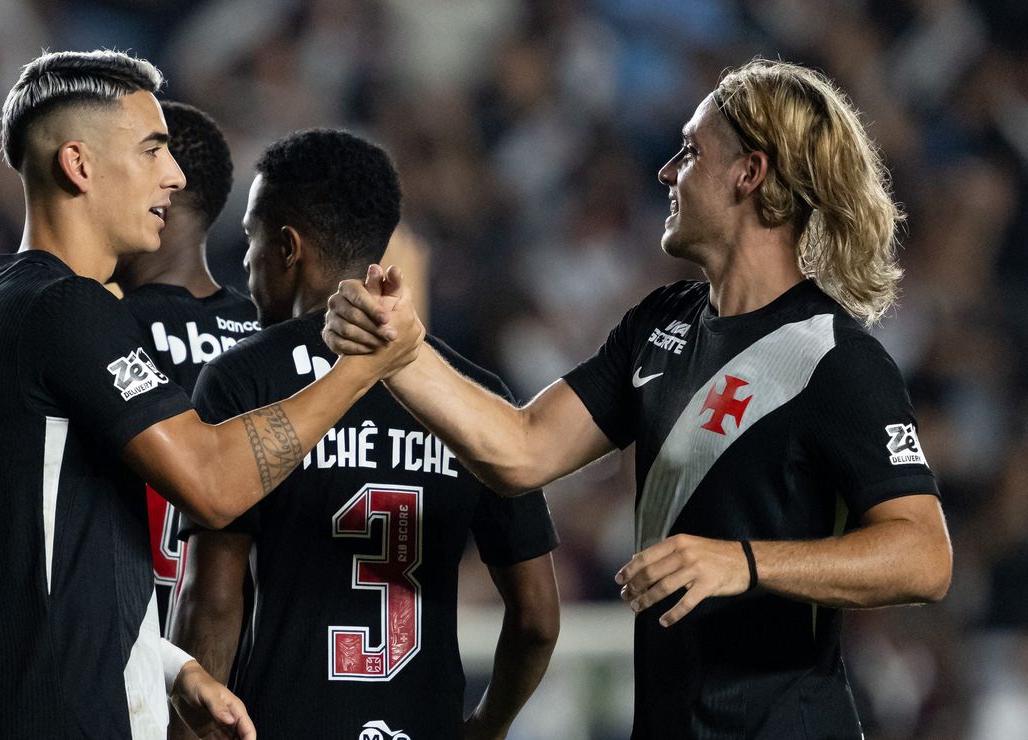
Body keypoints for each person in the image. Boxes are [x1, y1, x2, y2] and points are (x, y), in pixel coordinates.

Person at [324, 59, 953, 738]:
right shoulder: (661, 323)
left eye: (691, 152)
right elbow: (521, 447)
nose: (667, 172)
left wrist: (742, 562)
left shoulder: (834, 356)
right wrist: (400, 351)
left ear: (751, 173)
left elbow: (923, 555)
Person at [0, 50, 417, 740]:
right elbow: (213, 483)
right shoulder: (65, 306)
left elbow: (31, 579)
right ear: (79, 164)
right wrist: (361, 368)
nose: (175, 174)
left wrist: (166, 667)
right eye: (153, 148)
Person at [171, 129, 561, 740]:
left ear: (287, 246)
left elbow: (212, 603)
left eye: (250, 238)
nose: (245, 262)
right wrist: (487, 725)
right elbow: (537, 618)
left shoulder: (241, 379)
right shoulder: (476, 399)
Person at [112, 100, 260, 635]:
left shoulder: (99, 330)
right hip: (250, 654)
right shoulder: (273, 338)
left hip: (136, 649)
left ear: (162, 193)